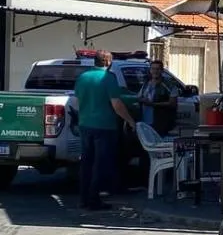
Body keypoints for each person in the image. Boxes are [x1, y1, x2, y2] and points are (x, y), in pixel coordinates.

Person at [73, 50, 136, 210]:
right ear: (108, 62)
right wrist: (130, 121)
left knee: (86, 163)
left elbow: (78, 100)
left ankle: (83, 199)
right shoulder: (108, 78)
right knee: (99, 164)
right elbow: (117, 104)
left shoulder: (83, 77)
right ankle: (94, 200)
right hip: (104, 126)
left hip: (85, 124)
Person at [137, 60, 178, 136]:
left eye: (158, 69)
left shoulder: (170, 85)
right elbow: (139, 97)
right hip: (145, 122)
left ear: (162, 71)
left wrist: (153, 104)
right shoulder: (146, 83)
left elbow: (173, 104)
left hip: (161, 123)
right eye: (153, 69)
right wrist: (142, 100)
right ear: (150, 70)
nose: (155, 71)